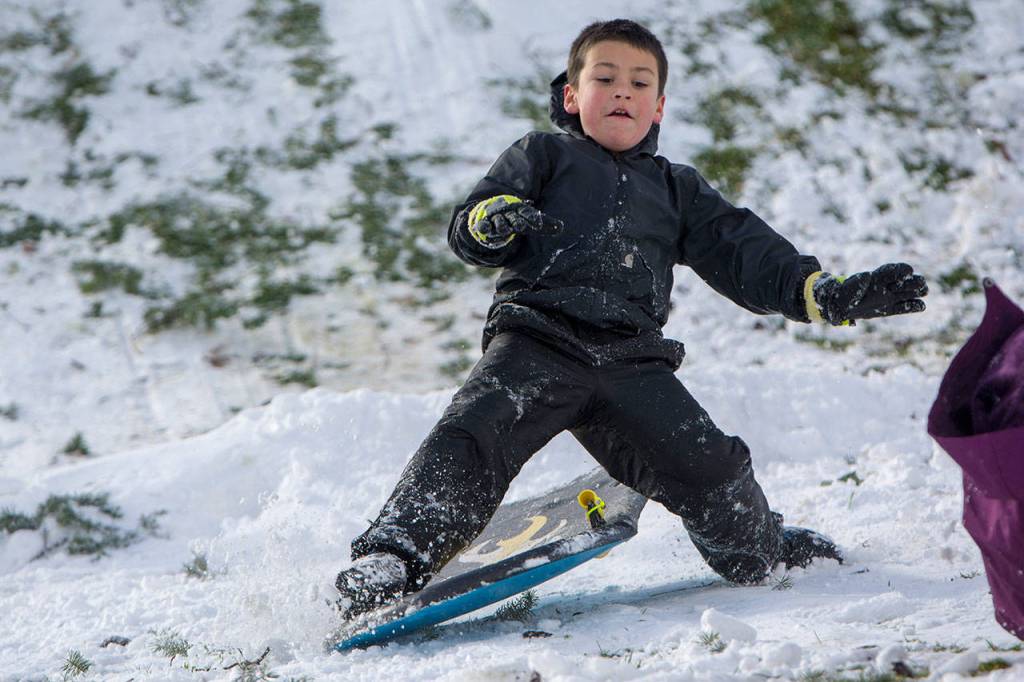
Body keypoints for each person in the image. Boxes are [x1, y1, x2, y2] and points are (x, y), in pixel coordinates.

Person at [335, 19, 928, 617]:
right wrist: (493, 220)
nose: (623, 91)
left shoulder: (676, 190)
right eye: (606, 78)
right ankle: (394, 555)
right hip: (538, 343)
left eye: (640, 83)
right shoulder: (541, 155)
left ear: (659, 107)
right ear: (572, 94)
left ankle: (760, 545)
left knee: (712, 467)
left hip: (631, 364)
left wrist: (825, 293)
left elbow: (743, 250)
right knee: (474, 430)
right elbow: (474, 221)